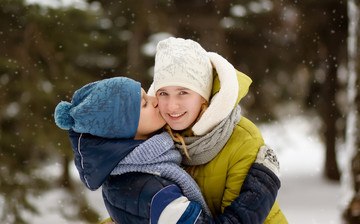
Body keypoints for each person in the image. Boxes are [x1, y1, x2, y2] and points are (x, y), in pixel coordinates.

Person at [54, 77, 282, 224]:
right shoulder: (150, 190)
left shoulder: (133, 174)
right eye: (143, 103)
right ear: (123, 132)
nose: (155, 100)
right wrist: (263, 184)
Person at [148, 37, 288, 223]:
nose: (172, 106)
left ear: (203, 96)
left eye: (183, 92)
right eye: (163, 93)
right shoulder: (153, 139)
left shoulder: (241, 139)